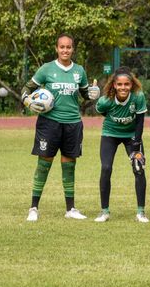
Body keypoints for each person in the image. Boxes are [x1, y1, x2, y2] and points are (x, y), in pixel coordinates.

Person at [22, 34, 100, 221]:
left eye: (69, 47)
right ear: (56, 49)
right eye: (62, 47)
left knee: (69, 166)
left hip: (73, 123)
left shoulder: (79, 71)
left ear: (73, 49)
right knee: (44, 165)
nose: (65, 50)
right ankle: (33, 208)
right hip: (49, 124)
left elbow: (84, 93)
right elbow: (27, 88)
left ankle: (70, 209)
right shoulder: (46, 69)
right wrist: (27, 100)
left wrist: (92, 93)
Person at [94, 67, 149, 223]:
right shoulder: (106, 100)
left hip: (132, 136)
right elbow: (102, 111)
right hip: (110, 134)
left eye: (127, 84)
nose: (123, 87)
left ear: (132, 85)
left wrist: (137, 142)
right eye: (119, 84)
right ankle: (104, 211)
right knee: (106, 168)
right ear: (114, 85)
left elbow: (140, 120)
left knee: (138, 169)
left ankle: (141, 212)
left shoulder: (138, 97)